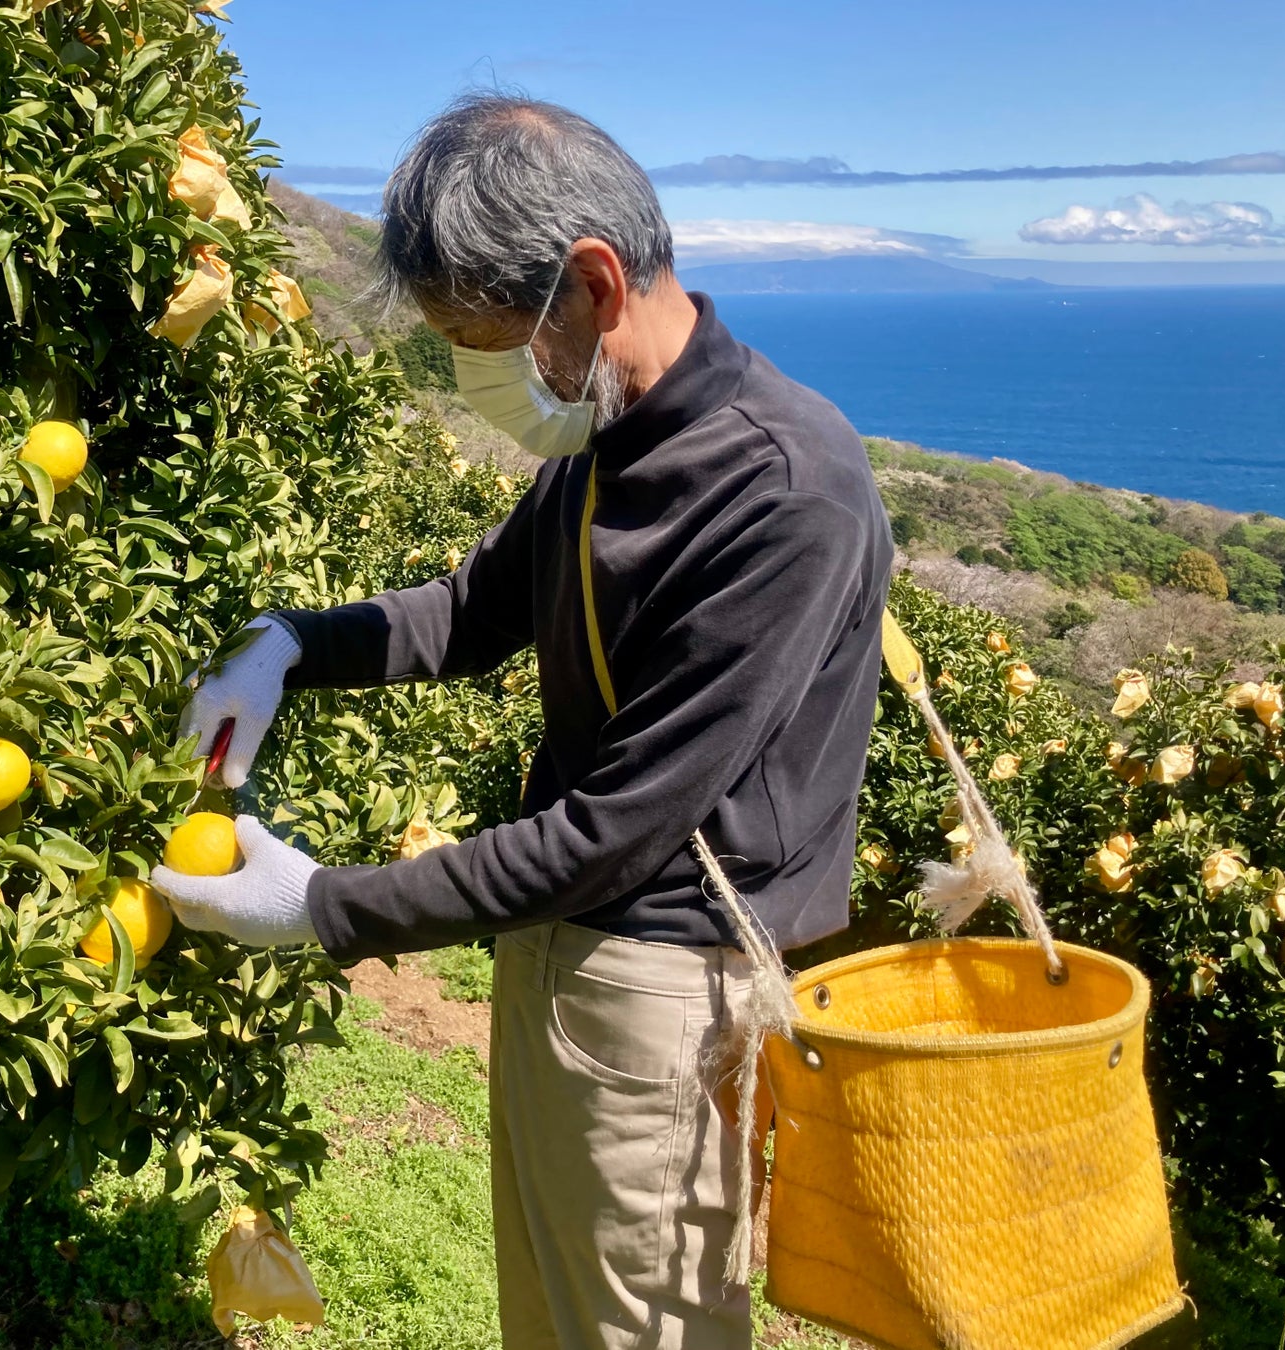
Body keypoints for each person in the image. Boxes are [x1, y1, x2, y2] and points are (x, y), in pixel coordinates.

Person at [151, 93, 892, 1350]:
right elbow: (472, 612)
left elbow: (620, 829)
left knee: (640, 1327)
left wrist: (327, 907)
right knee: (548, 1314)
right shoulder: (606, 438)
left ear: (594, 284)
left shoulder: (782, 491)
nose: (482, 380)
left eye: (482, 342)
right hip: (554, 950)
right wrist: (290, 643)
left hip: (671, 985)